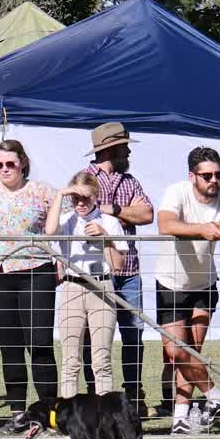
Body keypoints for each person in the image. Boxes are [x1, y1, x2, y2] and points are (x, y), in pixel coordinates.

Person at [156, 146, 220, 434]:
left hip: (204, 285)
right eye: (207, 176)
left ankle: (181, 418)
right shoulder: (177, 191)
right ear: (193, 177)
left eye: (218, 174)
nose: (214, 180)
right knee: (177, 352)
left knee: (194, 353)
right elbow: (164, 224)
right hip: (171, 284)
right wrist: (202, 228)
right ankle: (215, 397)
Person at [0, 139, 58, 433]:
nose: (4, 169)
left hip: (36, 273)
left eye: (10, 164)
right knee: (10, 347)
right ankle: (17, 413)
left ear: (23, 163)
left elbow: (67, 220)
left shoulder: (43, 192)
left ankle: (49, 415)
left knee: (40, 345)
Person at [78, 122, 155, 411]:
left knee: (133, 335)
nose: (129, 151)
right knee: (94, 338)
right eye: (125, 146)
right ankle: (94, 396)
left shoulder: (130, 180)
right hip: (96, 270)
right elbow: (83, 213)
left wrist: (115, 211)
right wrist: (121, 214)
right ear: (110, 149)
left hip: (129, 270)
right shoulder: (85, 179)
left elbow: (147, 213)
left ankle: (134, 396)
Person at [46, 171, 130, 400]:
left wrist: (105, 238)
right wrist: (62, 194)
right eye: (76, 198)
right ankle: (69, 418)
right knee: (70, 360)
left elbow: (118, 265)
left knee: (101, 358)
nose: (81, 203)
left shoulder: (110, 222)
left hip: (102, 287)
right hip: (72, 287)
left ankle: (104, 418)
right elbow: (49, 232)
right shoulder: (66, 219)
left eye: (86, 198)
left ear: (96, 196)